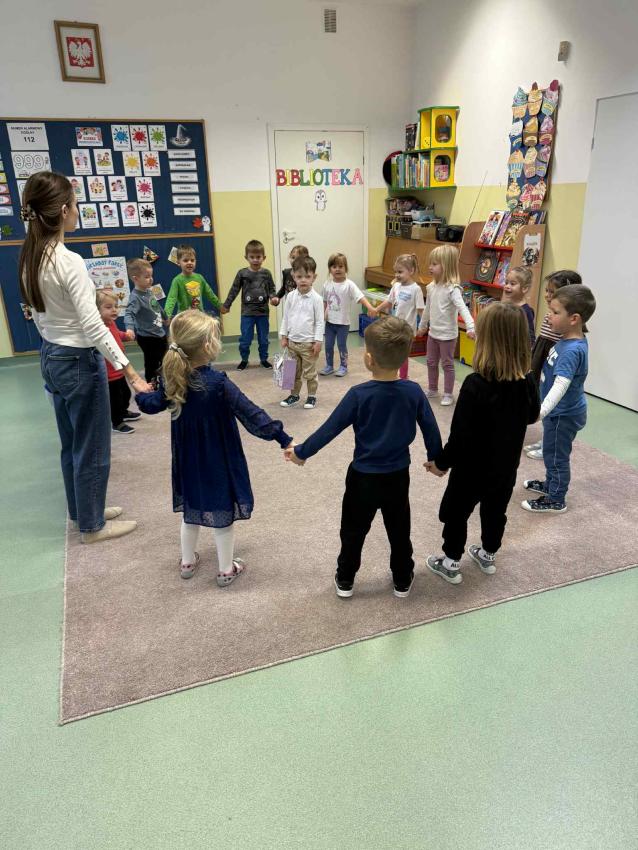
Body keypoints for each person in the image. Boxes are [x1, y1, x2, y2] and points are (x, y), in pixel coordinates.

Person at [19, 172, 150, 543]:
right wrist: (130, 371)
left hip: (51, 356)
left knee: (72, 442)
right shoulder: (68, 260)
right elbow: (94, 326)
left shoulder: (31, 256)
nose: (78, 211)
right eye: (75, 204)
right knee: (92, 445)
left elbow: (41, 315)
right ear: (63, 211)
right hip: (78, 360)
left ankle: (83, 510)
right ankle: (92, 526)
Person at [285, 316, 442, 598]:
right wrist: (436, 460)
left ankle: (346, 578)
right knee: (399, 529)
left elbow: (329, 429)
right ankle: (402, 578)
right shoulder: (413, 391)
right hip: (397, 477)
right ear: (405, 356)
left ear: (369, 359)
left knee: (353, 530)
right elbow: (430, 427)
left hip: (363, 478)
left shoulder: (358, 395)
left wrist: (301, 452)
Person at [135, 311, 293, 583]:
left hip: (187, 460)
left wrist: (140, 393)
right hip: (218, 459)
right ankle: (226, 570)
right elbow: (252, 414)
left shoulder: (172, 378)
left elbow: (151, 405)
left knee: (191, 509)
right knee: (222, 513)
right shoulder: (219, 383)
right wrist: (283, 438)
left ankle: (187, 563)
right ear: (208, 345)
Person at [425, 302, 540, 583]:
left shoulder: (475, 384)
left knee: (456, 513)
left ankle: (451, 562)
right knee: (495, 511)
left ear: (486, 340)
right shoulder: (526, 381)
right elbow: (532, 416)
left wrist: (441, 463)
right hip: (505, 468)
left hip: (470, 470)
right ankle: (488, 554)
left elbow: (460, 436)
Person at [522, 285, 596, 513]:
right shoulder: (567, 341)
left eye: (555, 312)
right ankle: (551, 484)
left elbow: (560, 386)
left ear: (574, 319)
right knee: (551, 451)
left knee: (556, 456)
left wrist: (541, 411)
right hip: (557, 412)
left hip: (562, 415)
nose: (548, 316)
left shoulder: (571, 350)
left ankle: (556, 498)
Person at [524, 270, 582, 459]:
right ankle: (546, 439)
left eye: (552, 292)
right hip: (542, 353)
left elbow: (564, 340)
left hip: (553, 357)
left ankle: (550, 445)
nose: (547, 296)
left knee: (551, 401)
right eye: (547, 291)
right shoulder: (553, 312)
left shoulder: (566, 321)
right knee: (542, 395)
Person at [421, 245, 475, 405]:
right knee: (430, 362)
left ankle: (448, 393)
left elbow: (463, 309)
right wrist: (423, 326)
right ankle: (432, 389)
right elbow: (427, 309)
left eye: (434, 264)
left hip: (448, 336)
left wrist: (471, 327)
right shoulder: (431, 287)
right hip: (433, 334)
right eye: (430, 263)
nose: (430, 267)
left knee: (447, 364)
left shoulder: (453, 289)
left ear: (446, 266)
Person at [221, 239, 278, 370]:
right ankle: (244, 360)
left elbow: (272, 289)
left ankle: (264, 359)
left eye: (258, 257)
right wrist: (227, 305)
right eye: (252, 257)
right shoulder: (242, 273)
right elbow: (234, 290)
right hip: (247, 314)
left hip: (263, 313)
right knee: (245, 339)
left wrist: (274, 298)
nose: (255, 260)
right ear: (246, 257)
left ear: (264, 257)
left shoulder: (266, 273)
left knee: (263, 339)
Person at [320, 252, 378, 377]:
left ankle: (343, 366)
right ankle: (329, 365)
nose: (337, 269)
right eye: (334, 267)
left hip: (343, 323)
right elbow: (324, 301)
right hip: (329, 322)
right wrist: (322, 314)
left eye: (341, 266)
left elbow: (360, 297)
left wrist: (370, 307)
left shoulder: (349, 285)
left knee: (341, 345)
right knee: (328, 345)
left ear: (346, 268)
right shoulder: (327, 284)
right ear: (330, 269)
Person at [279, 255, 325, 409]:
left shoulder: (317, 299)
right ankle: (294, 395)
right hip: (292, 343)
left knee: (309, 372)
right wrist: (284, 336)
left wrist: (318, 341)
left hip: (308, 344)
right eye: (299, 277)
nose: (303, 280)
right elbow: (286, 318)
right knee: (292, 372)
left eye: (307, 276)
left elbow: (320, 322)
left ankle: (311, 396)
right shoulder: (290, 297)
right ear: (293, 277)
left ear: (314, 277)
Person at [375, 253, 426, 380]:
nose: (397, 275)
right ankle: (393, 375)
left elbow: (421, 310)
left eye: (400, 272)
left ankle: (403, 378)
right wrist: (376, 309)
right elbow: (389, 301)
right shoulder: (396, 286)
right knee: (393, 353)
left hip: (407, 329)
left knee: (403, 355)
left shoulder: (416, 289)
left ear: (411, 271)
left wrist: (423, 326)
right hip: (394, 327)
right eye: (396, 272)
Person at [96, 289, 140, 434]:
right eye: (108, 307)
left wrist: (125, 336)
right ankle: (117, 422)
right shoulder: (99, 327)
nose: (114, 310)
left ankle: (123, 412)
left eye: (116, 306)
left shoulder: (111, 323)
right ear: (96, 310)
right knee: (115, 399)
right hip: (110, 373)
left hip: (120, 370)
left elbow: (117, 334)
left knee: (125, 394)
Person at [124, 257, 169, 383]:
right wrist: (129, 329)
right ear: (135, 279)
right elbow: (129, 313)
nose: (151, 279)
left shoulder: (149, 291)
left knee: (166, 360)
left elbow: (157, 306)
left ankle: (165, 381)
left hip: (160, 334)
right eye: (147, 276)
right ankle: (152, 385)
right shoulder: (135, 297)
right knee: (152, 364)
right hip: (148, 338)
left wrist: (165, 318)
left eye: (151, 276)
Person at [164, 245, 222, 318]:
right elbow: (171, 299)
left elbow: (210, 294)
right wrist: (166, 315)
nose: (189, 262)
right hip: (184, 318)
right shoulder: (177, 280)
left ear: (195, 261)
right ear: (178, 262)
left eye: (192, 260)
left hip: (199, 316)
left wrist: (220, 306)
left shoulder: (199, 278)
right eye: (185, 260)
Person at [501, 265, 535, 348]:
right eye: (506, 283)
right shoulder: (505, 306)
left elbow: (530, 338)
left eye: (512, 284)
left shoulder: (525, 311)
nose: (507, 286)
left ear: (524, 288)